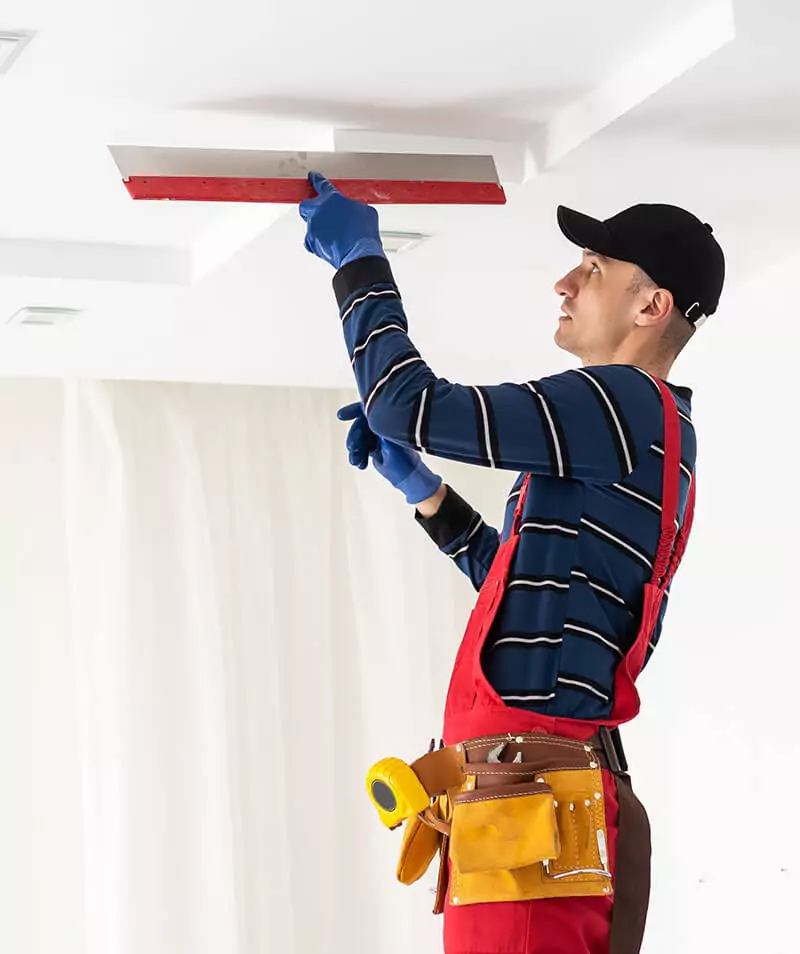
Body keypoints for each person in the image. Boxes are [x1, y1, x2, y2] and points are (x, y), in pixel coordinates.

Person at [299, 173, 724, 954]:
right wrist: (427, 494)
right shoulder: (648, 428)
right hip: (528, 810)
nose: (565, 282)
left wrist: (359, 264)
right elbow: (525, 587)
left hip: (528, 809)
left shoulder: (621, 404)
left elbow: (406, 404)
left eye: (592, 268)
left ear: (650, 306)